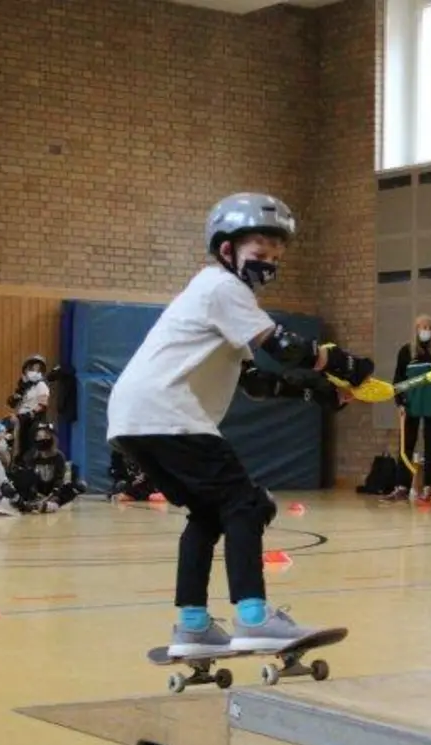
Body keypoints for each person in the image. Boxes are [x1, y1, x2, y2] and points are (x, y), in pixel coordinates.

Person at [106, 192, 375, 657]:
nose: (268, 263)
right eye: (260, 252)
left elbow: (258, 381)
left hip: (135, 418)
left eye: (276, 257)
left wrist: (322, 392)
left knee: (208, 514)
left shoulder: (219, 297)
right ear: (227, 249)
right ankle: (254, 618)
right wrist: (343, 364)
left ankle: (193, 626)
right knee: (246, 505)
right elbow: (285, 348)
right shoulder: (222, 288)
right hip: (169, 412)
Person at [389, 314, 431, 502]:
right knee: (406, 445)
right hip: (411, 404)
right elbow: (398, 380)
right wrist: (400, 403)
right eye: (423, 327)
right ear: (416, 329)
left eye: (429, 327)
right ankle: (401, 487)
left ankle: (427, 487)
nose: (426, 331)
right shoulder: (406, 351)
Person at [14, 421, 87, 512]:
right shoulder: (30, 456)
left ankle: (53, 503)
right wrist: (35, 495)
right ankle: (37, 504)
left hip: (53, 492)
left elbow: (60, 479)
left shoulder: (59, 457)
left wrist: (54, 494)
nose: (42, 439)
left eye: (45, 436)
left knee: (80, 485)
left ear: (52, 438)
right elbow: (27, 479)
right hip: (35, 493)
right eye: (39, 436)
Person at [7, 354, 51, 464]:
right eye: (32, 369)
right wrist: (14, 398)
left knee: (30, 443)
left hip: (34, 419)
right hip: (22, 418)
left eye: (38, 370)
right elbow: (14, 403)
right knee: (13, 438)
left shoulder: (41, 385)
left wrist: (30, 413)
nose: (35, 372)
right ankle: (15, 462)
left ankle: (28, 463)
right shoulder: (25, 386)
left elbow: (42, 405)